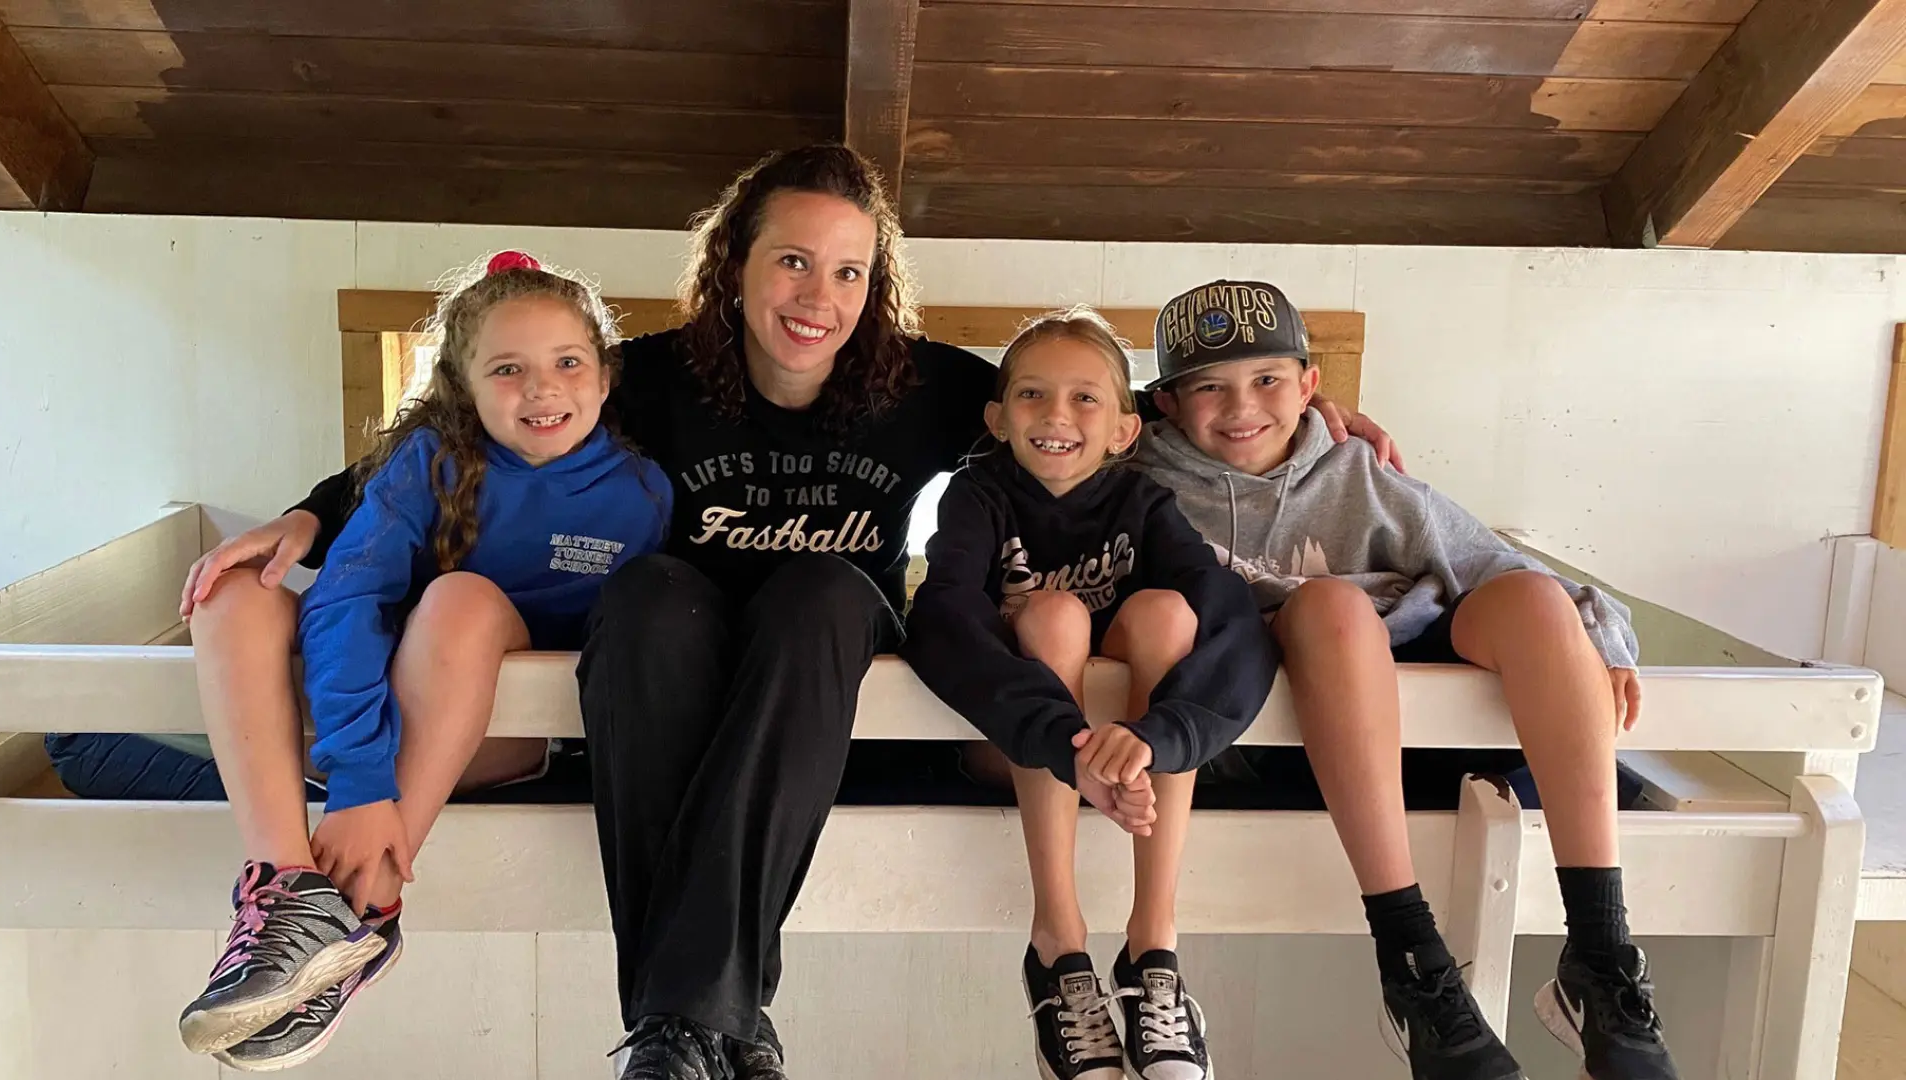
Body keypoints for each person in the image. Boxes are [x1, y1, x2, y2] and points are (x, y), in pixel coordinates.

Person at [178, 145, 1396, 1080]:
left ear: (878, 286)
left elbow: (1080, 412)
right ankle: (718, 1032)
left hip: (823, 646)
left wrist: (1288, 425)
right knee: (650, 595)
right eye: (793, 262)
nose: (821, 295)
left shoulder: (933, 389)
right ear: (738, 266)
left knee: (821, 590)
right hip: (673, 642)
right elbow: (479, 430)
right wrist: (309, 515)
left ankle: (677, 1024)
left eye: (851, 270)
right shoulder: (645, 375)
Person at [1134, 280, 1675, 1080]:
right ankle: (1413, 961)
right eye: (1209, 386)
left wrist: (1606, 639)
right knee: (1330, 608)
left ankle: (1601, 950)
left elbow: (1503, 564)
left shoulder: (1362, 476)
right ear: (1167, 405)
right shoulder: (1138, 483)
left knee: (1531, 598)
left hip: (1411, 724)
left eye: (1268, 380)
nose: (1241, 405)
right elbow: (1049, 448)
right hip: (1267, 736)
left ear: (1311, 386)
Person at [175, 251, 671, 1072]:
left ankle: (365, 904)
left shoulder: (647, 493)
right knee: (233, 587)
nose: (543, 389)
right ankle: (293, 891)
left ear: (606, 376)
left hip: (501, 737)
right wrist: (361, 777)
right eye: (507, 369)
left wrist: (372, 789)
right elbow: (343, 601)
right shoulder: (431, 465)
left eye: (567, 362)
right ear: (464, 386)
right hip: (364, 741)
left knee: (461, 600)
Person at [903, 310, 1271, 1080]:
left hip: (1127, 766)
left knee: (1170, 610)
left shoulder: (1143, 503)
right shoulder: (975, 496)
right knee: (1056, 614)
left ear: (1125, 430)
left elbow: (1228, 612)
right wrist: (1065, 747)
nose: (1057, 417)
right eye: (1032, 395)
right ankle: (1059, 947)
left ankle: (1152, 947)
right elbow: (941, 619)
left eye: (1085, 399)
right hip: (1013, 744)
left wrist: (1158, 737)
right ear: (997, 419)